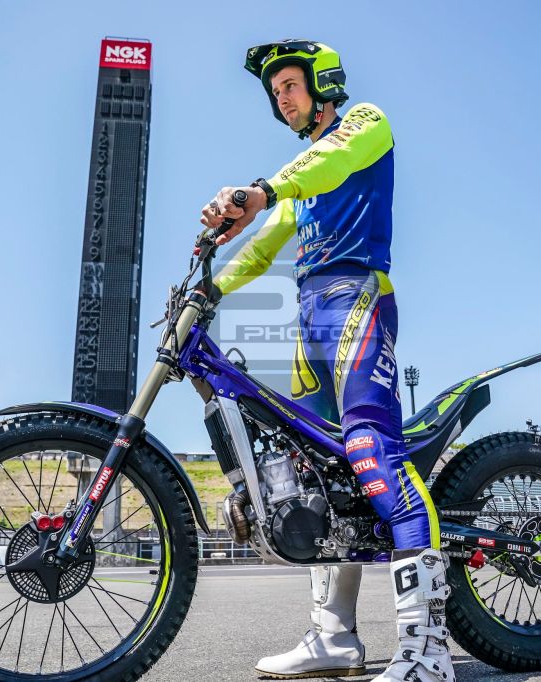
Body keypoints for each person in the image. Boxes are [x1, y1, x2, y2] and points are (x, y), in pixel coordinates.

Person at [199, 40, 454, 682]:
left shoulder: (364, 123)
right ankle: (334, 639)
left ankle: (428, 651)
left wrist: (262, 189)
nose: (282, 98)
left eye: (290, 84)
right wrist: (208, 290)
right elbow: (263, 250)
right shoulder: (299, 178)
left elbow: (330, 159)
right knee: (316, 476)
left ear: (322, 82)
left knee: (371, 452)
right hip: (310, 313)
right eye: (275, 92)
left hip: (356, 297)